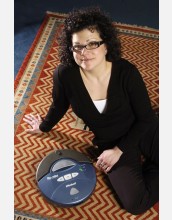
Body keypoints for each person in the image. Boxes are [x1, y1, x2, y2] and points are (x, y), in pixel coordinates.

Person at [23, 6, 159, 215]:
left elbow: (146, 119)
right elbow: (59, 104)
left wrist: (119, 151)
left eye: (92, 44)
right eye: (77, 47)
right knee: (136, 204)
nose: (84, 53)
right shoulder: (64, 74)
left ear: (106, 45)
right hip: (109, 141)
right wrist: (43, 126)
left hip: (142, 128)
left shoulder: (127, 72)